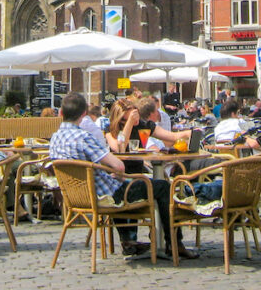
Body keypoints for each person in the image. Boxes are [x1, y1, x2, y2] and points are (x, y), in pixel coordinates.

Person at [49, 92, 197, 259]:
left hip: (79, 197)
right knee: (163, 187)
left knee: (136, 184)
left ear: (61, 113)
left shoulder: (54, 139)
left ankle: (138, 241)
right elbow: (118, 165)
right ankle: (173, 243)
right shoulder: (84, 137)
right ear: (84, 114)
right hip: (108, 195)